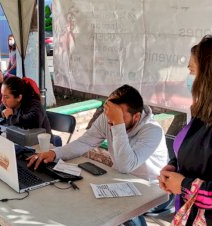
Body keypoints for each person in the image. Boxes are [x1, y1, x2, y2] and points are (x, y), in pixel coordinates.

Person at [28, 84, 168, 181]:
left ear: (136, 116)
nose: (110, 120)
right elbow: (85, 142)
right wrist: (55, 153)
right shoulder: (109, 117)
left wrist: (117, 123)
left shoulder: (153, 131)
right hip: (119, 180)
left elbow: (126, 166)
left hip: (150, 188)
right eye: (111, 113)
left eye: (119, 115)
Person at [158, 35, 212, 225]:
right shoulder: (202, 112)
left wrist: (182, 185)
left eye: (192, 71)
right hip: (188, 213)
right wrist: (175, 165)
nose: (189, 79)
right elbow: (195, 151)